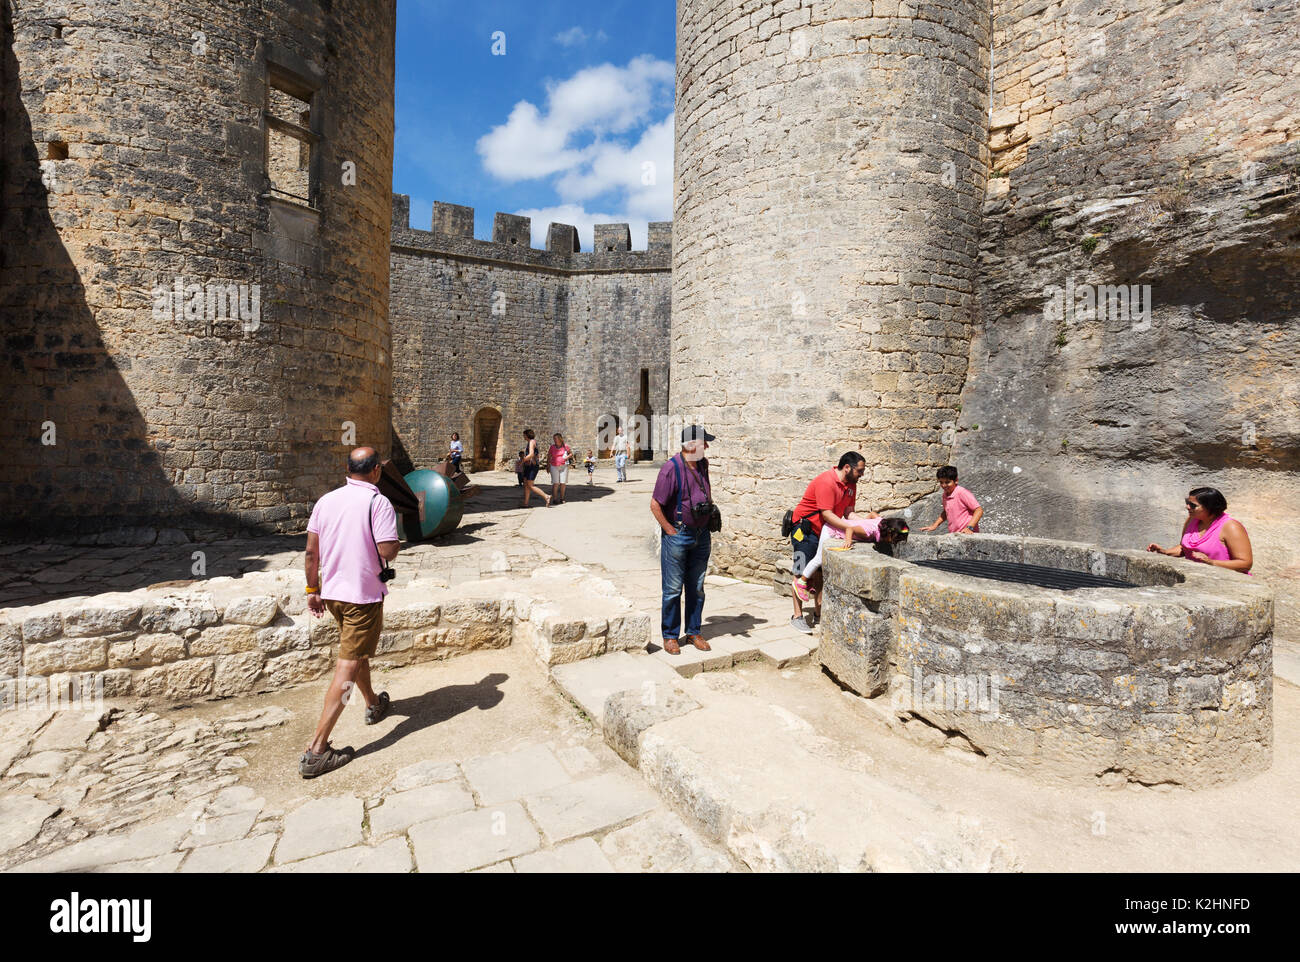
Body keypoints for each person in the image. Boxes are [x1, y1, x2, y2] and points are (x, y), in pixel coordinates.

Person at [300, 447, 398, 778]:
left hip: (333, 595)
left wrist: (313, 590)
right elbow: (388, 550)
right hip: (363, 596)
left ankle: (372, 702)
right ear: (376, 472)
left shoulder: (326, 501)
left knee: (355, 654)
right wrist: (392, 540)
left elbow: (311, 553)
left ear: (347, 469)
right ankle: (317, 749)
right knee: (347, 667)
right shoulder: (378, 502)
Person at [650, 425, 716, 655]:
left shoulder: (702, 465)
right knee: (672, 589)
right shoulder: (671, 469)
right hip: (679, 534)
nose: (706, 447)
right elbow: (655, 505)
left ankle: (693, 631)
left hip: (702, 534)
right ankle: (670, 636)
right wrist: (670, 530)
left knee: (697, 587)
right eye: (703, 443)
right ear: (690, 445)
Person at [788, 452, 869, 633]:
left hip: (823, 530)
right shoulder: (826, 482)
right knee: (800, 569)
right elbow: (827, 513)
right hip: (804, 529)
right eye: (860, 471)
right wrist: (849, 528)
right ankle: (797, 616)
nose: (861, 475)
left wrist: (867, 524)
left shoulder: (851, 485)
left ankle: (819, 613)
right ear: (847, 467)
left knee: (819, 572)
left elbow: (848, 513)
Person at [1147, 486, 1253, 574]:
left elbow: (1245, 564)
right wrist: (1165, 552)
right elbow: (1185, 549)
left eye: (1193, 505)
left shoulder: (1231, 527)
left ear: (1210, 507)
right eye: (1187, 502)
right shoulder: (1192, 520)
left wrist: (1211, 562)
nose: (1187, 507)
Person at [797, 516, 909, 587]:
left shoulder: (881, 522)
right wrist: (848, 541)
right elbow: (850, 529)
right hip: (831, 530)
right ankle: (801, 581)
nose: (896, 542)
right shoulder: (869, 532)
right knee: (819, 559)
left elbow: (872, 514)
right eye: (896, 539)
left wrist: (863, 520)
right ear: (889, 532)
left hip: (836, 527)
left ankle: (809, 582)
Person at [920, 465, 983, 534]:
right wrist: (934, 525)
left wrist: (969, 528)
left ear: (956, 480)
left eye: (947, 482)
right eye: (941, 482)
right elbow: (946, 511)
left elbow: (978, 510)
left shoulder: (962, 492)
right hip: (955, 534)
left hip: (967, 534)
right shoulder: (945, 494)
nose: (944, 485)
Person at [519, 429, 551, 508]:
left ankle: (546, 496)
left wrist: (523, 461)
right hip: (529, 466)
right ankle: (526, 503)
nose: (523, 436)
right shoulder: (531, 442)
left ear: (527, 435)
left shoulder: (531, 442)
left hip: (532, 466)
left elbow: (531, 454)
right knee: (526, 484)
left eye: (524, 435)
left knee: (530, 485)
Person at [548, 433, 573, 504]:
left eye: (556, 438)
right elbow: (549, 456)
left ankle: (562, 498)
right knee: (555, 483)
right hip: (554, 466)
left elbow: (571, 454)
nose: (555, 440)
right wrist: (548, 466)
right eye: (554, 439)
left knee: (563, 483)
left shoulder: (565, 446)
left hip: (564, 466)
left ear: (560, 439)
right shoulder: (552, 447)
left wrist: (566, 458)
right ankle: (555, 499)